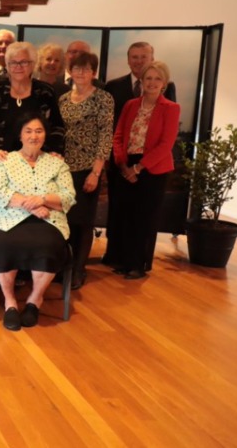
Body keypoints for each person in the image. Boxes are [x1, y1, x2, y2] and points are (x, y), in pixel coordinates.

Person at [0, 41, 65, 281]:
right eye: (13, 62)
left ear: (33, 65)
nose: (18, 67)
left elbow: (57, 128)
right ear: (6, 65)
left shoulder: (45, 92)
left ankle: (29, 271)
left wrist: (52, 153)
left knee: (34, 214)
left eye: (24, 62)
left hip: (34, 169)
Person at [0, 113, 75, 331]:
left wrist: (43, 199)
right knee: (4, 243)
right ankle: (10, 303)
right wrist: (31, 204)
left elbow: (68, 197)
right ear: (19, 135)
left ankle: (35, 300)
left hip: (50, 219)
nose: (33, 136)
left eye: (39, 131)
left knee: (50, 245)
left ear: (45, 135)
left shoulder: (57, 163)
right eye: (28, 131)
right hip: (9, 218)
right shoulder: (3, 161)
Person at [103, 42, 177, 267]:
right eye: (148, 79)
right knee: (124, 215)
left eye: (157, 79)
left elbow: (166, 144)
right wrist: (122, 163)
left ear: (163, 83)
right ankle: (120, 260)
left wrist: (138, 168)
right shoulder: (130, 104)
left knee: (144, 218)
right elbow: (117, 134)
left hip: (151, 167)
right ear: (142, 81)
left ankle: (138, 265)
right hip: (125, 164)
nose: (152, 82)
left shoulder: (171, 107)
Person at [59, 53, 114, 289]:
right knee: (65, 220)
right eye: (76, 68)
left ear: (94, 72)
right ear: (70, 71)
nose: (81, 73)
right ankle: (64, 266)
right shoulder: (62, 99)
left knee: (83, 222)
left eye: (86, 69)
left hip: (88, 169)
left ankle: (79, 270)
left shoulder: (103, 98)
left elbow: (105, 135)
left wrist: (96, 171)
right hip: (63, 169)